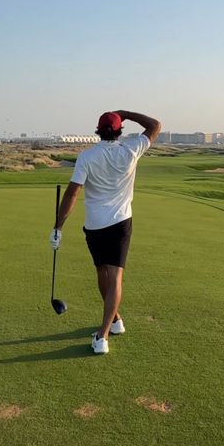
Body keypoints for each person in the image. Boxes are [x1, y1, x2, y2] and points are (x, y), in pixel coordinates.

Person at [49, 109, 161, 354]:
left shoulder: (87, 157)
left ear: (98, 131)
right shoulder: (131, 149)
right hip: (120, 222)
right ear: (120, 131)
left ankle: (105, 332)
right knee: (114, 277)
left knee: (104, 273)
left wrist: (58, 226)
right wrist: (127, 114)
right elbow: (155, 125)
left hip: (95, 225)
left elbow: (72, 193)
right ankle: (112, 325)